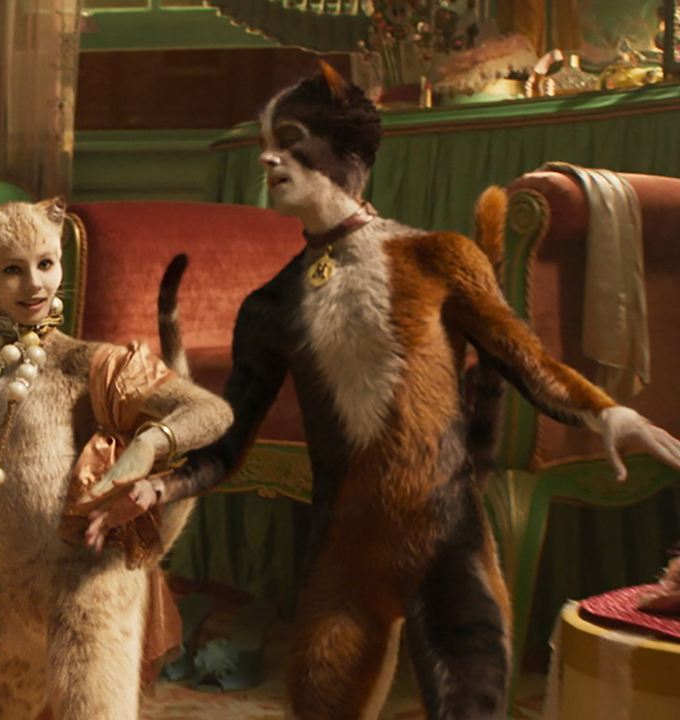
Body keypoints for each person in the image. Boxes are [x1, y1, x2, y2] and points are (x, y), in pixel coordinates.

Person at [79, 65, 680, 718]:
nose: (268, 157)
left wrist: (607, 414)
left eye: (289, 139)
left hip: (447, 540)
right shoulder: (269, 307)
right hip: (343, 556)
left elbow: (522, 358)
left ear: (349, 153)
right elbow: (230, 441)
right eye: (264, 143)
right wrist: (158, 487)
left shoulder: (438, 258)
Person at [0, 197, 232, 719]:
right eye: (13, 269)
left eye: (46, 264)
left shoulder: (83, 362)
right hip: (17, 599)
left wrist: (149, 445)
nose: (34, 284)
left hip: (90, 588)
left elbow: (212, 413)